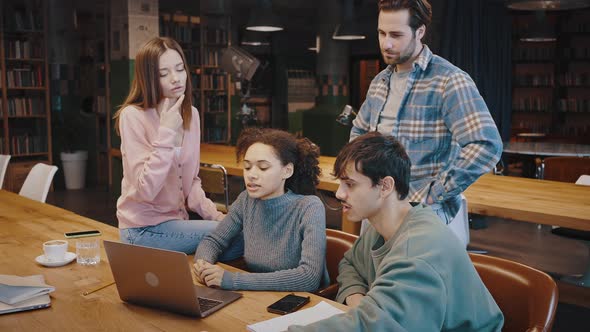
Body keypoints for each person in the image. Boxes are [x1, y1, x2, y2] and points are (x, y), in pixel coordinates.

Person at [290, 132, 504, 331]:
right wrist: (358, 300)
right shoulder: (383, 228)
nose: (339, 193)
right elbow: (351, 263)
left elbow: (376, 326)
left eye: (350, 184)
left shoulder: (417, 250)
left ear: (385, 186)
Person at [351, 0, 502, 225]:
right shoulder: (380, 81)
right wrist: (362, 178)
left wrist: (433, 193)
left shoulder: (449, 80)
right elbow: (360, 131)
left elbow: (487, 145)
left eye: (396, 35)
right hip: (378, 207)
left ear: (419, 31)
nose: (386, 43)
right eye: (382, 33)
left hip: (424, 214)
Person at [113, 37, 242, 259]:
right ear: (149, 78)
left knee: (237, 232)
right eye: (164, 73)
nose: (175, 78)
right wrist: (166, 131)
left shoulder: (191, 114)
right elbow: (146, 190)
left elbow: (191, 181)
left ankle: (194, 266)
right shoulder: (132, 116)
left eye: (180, 69)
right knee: (238, 238)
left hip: (178, 225)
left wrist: (217, 217)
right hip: (142, 229)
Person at [194, 128, 329, 292]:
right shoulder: (246, 200)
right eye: (247, 167)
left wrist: (234, 280)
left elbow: (308, 278)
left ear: (287, 171)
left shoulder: (309, 207)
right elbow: (213, 241)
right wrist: (203, 264)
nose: (251, 175)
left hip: (302, 303)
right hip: (258, 297)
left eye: (263, 168)